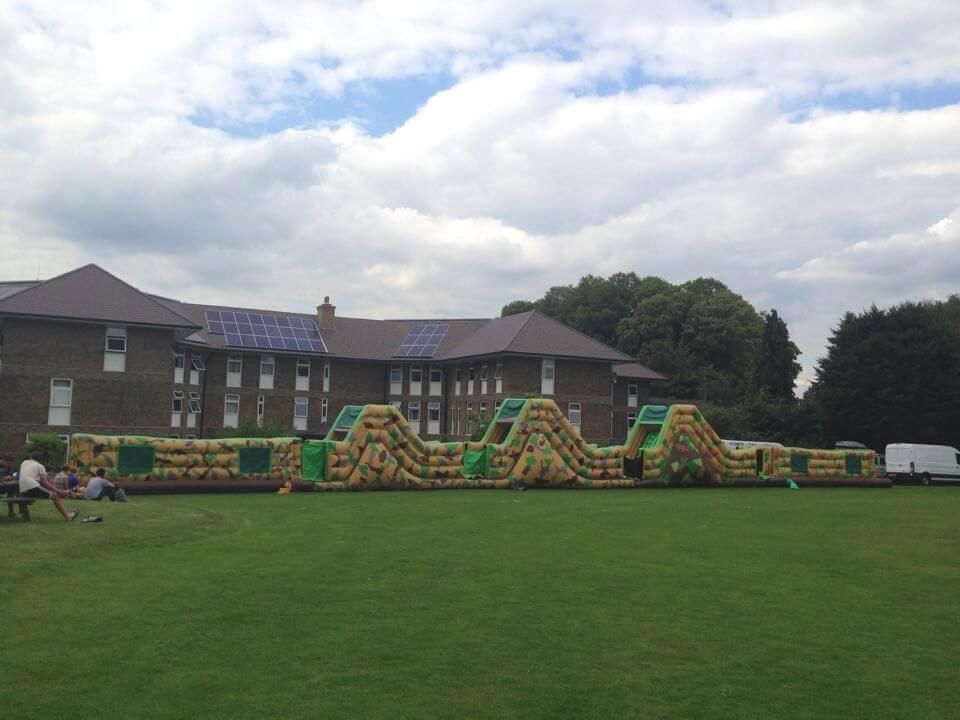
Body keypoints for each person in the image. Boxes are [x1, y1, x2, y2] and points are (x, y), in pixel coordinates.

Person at [19, 452, 79, 521]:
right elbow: (44, 483)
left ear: (31, 457)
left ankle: (67, 515)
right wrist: (59, 491)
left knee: (53, 494)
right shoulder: (40, 466)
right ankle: (68, 516)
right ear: (41, 460)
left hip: (23, 490)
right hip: (31, 486)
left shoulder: (24, 463)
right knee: (55, 495)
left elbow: (33, 479)